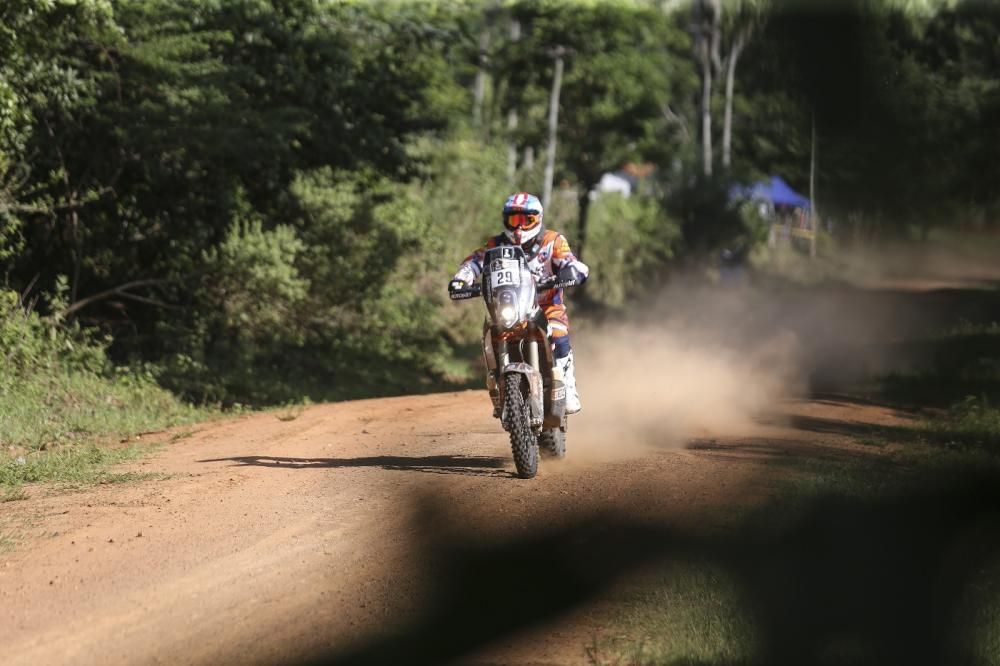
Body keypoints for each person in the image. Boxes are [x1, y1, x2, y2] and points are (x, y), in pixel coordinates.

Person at [449, 192, 589, 413]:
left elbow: (571, 261)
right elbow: (474, 261)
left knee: (559, 334)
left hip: (547, 306)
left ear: (538, 219)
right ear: (506, 220)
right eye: (514, 220)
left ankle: (568, 386)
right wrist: (461, 279)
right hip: (508, 307)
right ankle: (499, 386)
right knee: (490, 335)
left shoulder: (552, 241)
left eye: (526, 220)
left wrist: (572, 271)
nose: (519, 228)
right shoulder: (495, 245)